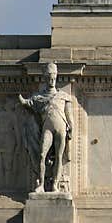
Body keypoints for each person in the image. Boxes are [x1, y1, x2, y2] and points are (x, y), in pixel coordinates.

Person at [18, 62, 74, 193]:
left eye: (54, 77)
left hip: (61, 129)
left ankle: (55, 184)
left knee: (59, 156)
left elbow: (69, 115)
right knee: (42, 155)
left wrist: (71, 127)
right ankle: (41, 184)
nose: (52, 80)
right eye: (49, 78)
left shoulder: (64, 96)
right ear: (45, 78)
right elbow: (26, 103)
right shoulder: (39, 97)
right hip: (47, 129)